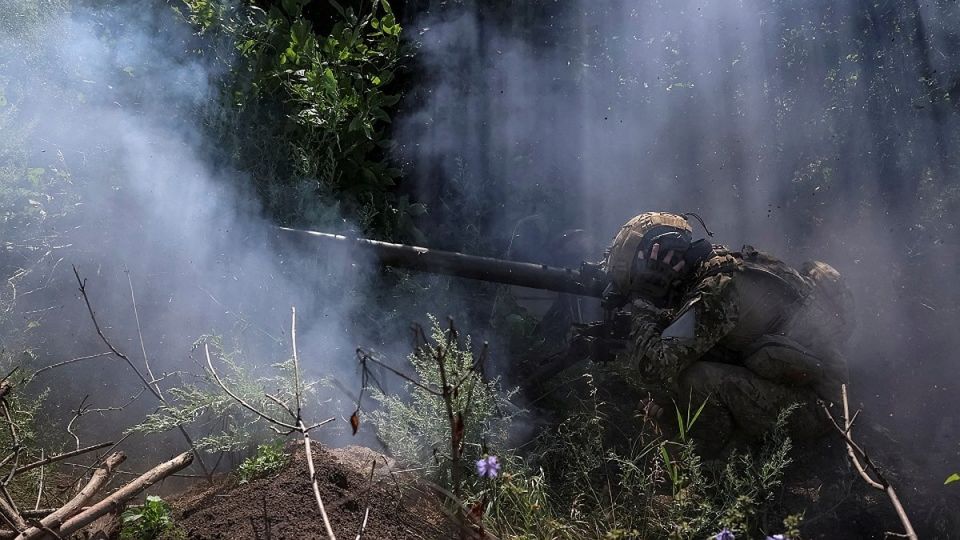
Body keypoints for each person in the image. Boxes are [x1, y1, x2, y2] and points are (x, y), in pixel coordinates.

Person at [603, 212, 853, 443]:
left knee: (696, 379)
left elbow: (657, 367)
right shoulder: (719, 267)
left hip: (822, 408)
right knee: (688, 367)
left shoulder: (718, 288)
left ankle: (717, 459)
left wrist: (642, 299)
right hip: (810, 385)